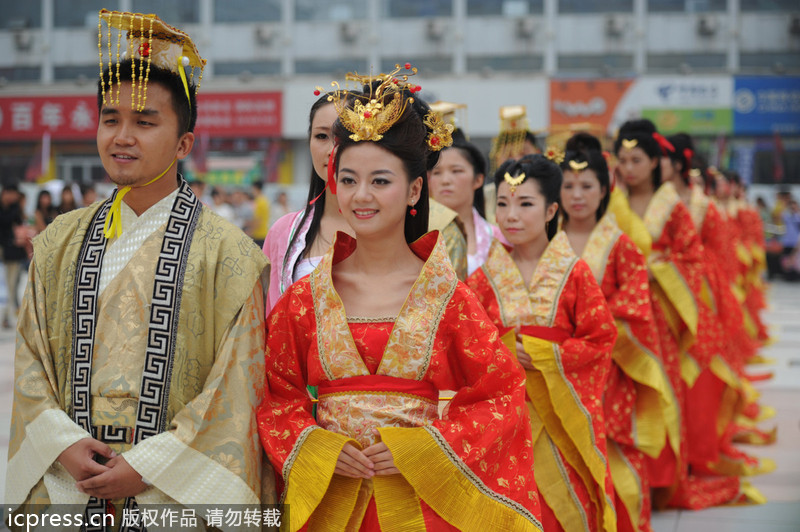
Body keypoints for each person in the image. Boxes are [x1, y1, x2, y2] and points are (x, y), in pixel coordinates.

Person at [6, 10, 272, 529]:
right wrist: (64, 445)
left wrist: (148, 465)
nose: (122, 136)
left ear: (183, 144)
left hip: (173, 497)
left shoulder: (230, 253)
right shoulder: (59, 241)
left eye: (144, 122)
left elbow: (235, 388)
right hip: (71, 479)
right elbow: (30, 358)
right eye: (111, 119)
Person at [258, 65, 542, 531]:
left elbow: (500, 394)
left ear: (414, 189)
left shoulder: (449, 297)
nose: (360, 196)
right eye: (348, 180)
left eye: (380, 181)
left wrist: (421, 446)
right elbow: (276, 398)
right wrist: (319, 445)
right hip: (328, 499)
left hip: (424, 502)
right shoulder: (304, 299)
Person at [467, 153, 617, 532]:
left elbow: (600, 339)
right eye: (501, 203)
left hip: (563, 414)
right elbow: (466, 346)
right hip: (509, 416)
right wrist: (500, 349)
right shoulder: (484, 279)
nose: (510, 215)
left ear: (551, 210)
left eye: (525, 203)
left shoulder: (575, 273)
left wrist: (546, 354)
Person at [608, 119, 750, 510]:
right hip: (620, 316)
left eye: (637, 159)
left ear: (656, 162)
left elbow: (691, 259)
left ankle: (660, 479)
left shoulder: (672, 206)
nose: (629, 167)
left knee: (660, 393)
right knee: (622, 396)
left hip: (659, 316)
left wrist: (654, 268)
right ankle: (624, 478)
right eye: (622, 159)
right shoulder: (610, 201)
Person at [559, 133, 674, 532]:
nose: (577, 195)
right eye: (568, 186)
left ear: (604, 191)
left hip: (608, 369)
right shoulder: (544, 243)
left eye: (587, 186)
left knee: (612, 450)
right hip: (552, 367)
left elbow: (638, 307)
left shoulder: (621, 245)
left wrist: (590, 331)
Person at [264, 94, 467, 313]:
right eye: (321, 136)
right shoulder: (286, 235)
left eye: (345, 137)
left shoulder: (440, 232)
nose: (332, 150)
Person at [429, 132, 506, 275]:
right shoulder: (416, 235)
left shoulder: (499, 238)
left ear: (478, 180)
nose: (445, 180)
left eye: (456, 171)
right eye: (437, 173)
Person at [0, 184, 28, 329]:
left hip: (12, 252)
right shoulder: (10, 208)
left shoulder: (14, 208)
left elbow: (19, 224)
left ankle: (6, 316)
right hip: (5, 249)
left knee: (11, 286)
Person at [249, 180, 270, 247]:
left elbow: (258, 220)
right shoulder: (264, 200)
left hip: (259, 235)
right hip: (263, 233)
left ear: (255, 188)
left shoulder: (259, 202)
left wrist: (250, 232)